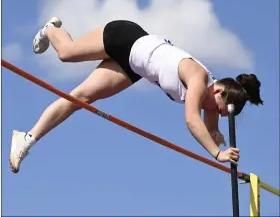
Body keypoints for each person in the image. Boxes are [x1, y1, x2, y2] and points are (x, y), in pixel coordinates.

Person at [9, 17, 263, 173]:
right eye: (218, 107)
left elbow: (209, 129)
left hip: (132, 67)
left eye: (218, 113)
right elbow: (191, 121)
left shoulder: (213, 100)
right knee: (66, 53)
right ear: (218, 89)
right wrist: (217, 153)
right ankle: (51, 29)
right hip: (125, 38)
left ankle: (27, 138)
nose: (214, 111)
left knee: (80, 98)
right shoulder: (198, 79)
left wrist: (217, 138)